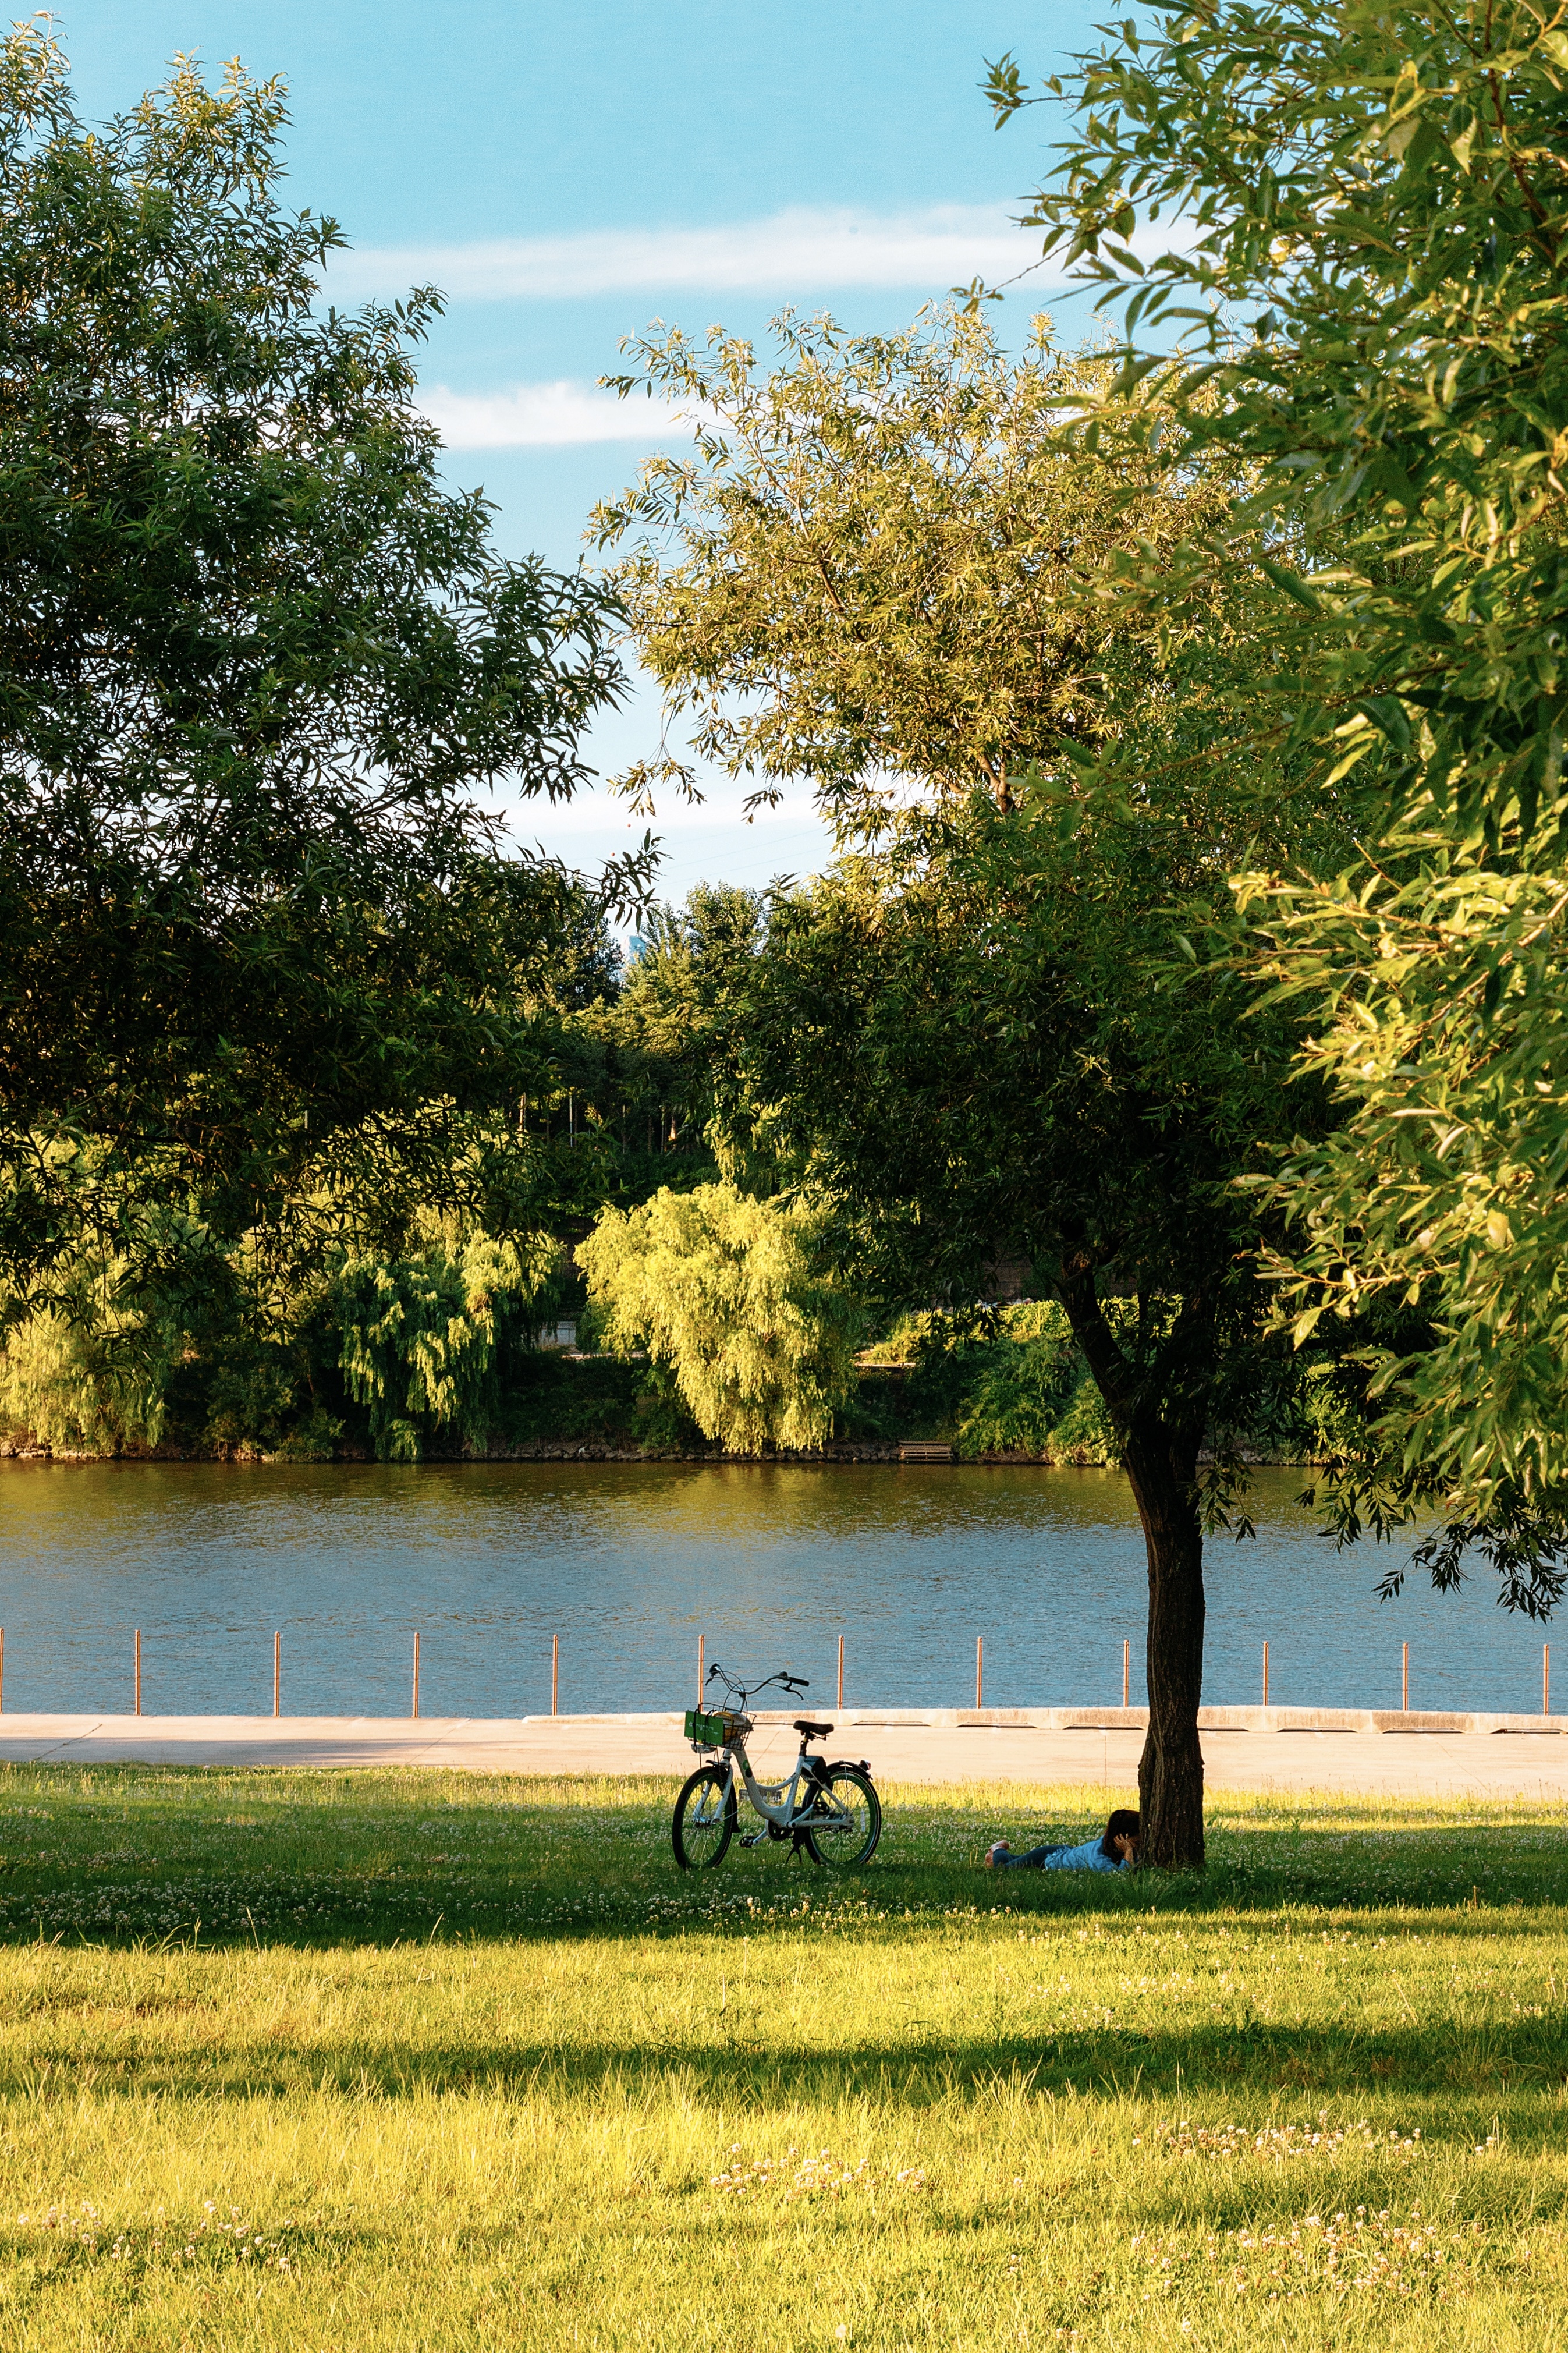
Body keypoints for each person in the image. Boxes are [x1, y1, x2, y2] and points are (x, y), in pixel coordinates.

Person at [985, 1808, 1139, 1872]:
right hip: (1047, 1859)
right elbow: (1119, 1877)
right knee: (1004, 1869)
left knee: (1017, 1861)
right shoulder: (1099, 1859)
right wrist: (1128, 1853)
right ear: (1122, 1839)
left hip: (1064, 1851)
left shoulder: (1108, 1843)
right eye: (1137, 1840)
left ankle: (1005, 1855)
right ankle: (998, 1849)